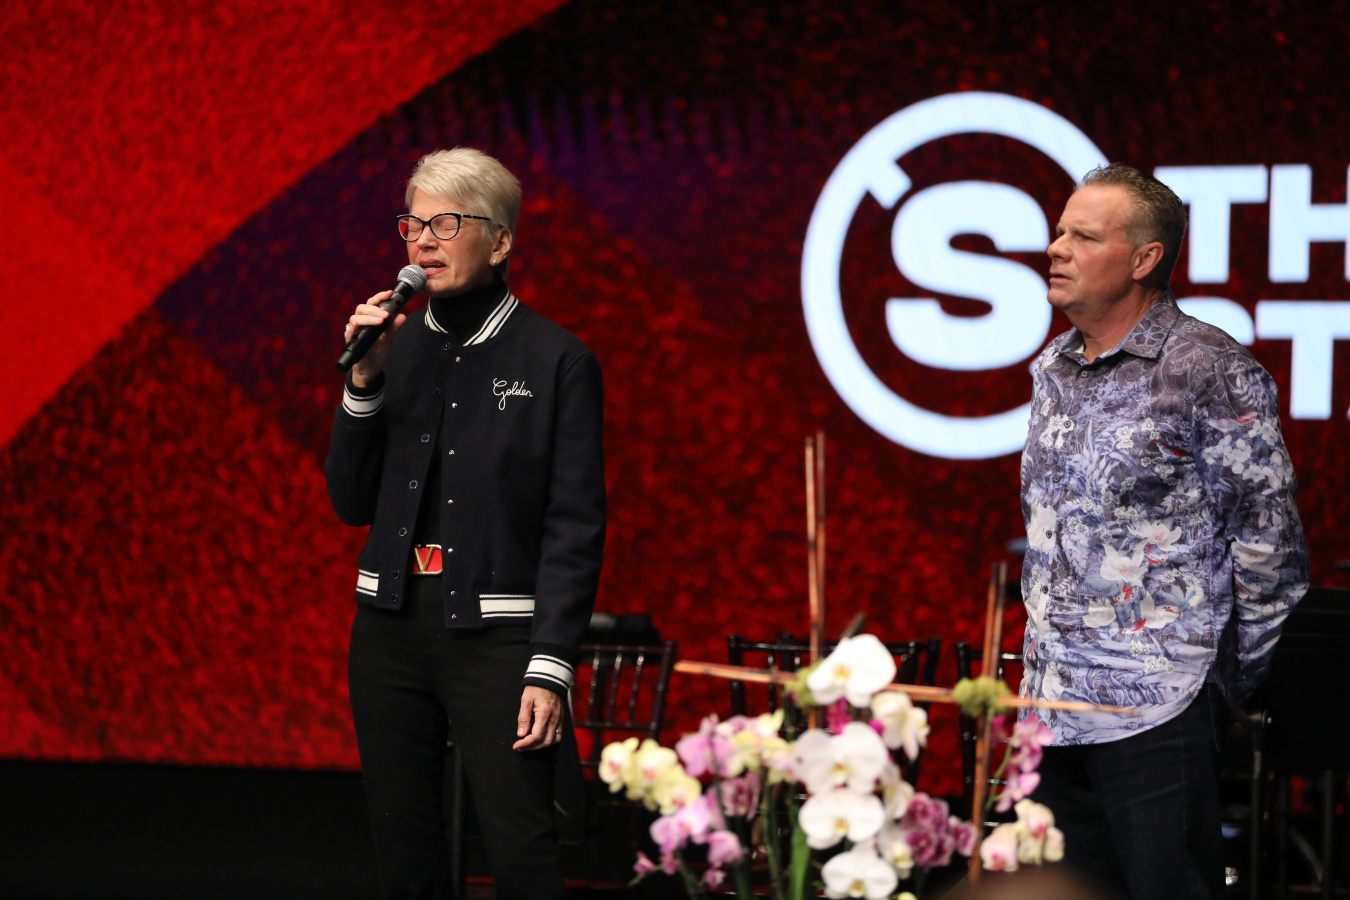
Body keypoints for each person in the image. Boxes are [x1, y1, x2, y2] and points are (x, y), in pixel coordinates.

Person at [1018, 163, 1309, 899]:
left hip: (1157, 707)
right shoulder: (1053, 366)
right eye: (1060, 231)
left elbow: (1269, 545)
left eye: (1084, 237)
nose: (1056, 248)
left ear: (1144, 258)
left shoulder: (1206, 367)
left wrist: (1224, 685)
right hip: (1053, 709)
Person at [325, 147, 606, 899]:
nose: (423, 242)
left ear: (501, 240)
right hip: (388, 629)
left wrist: (551, 663)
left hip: (500, 638)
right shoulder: (394, 344)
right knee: (405, 853)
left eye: (446, 224)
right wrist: (364, 381)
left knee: (521, 854)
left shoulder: (557, 360)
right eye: (413, 225)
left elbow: (575, 527)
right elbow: (349, 503)